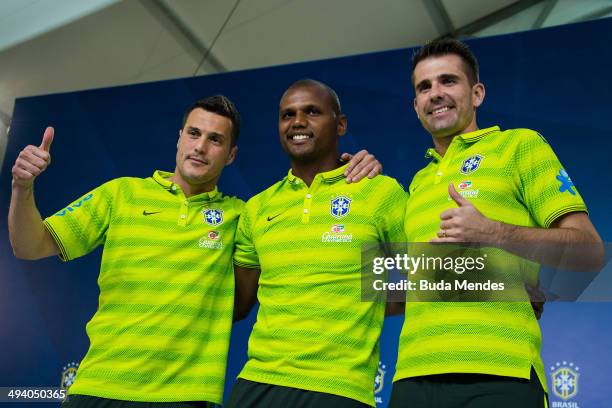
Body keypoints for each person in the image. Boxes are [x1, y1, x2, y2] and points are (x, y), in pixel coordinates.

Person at [8, 95, 380, 408]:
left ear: (231, 155)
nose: (201, 147)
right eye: (194, 133)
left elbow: (314, 238)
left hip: (189, 396)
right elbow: (29, 245)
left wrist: (345, 173)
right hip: (98, 388)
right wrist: (22, 189)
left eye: (215, 140)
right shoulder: (120, 194)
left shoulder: (244, 215)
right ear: (179, 138)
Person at [388, 38, 602, 408]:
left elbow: (589, 251)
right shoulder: (418, 183)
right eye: (424, 87)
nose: (435, 93)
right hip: (412, 376)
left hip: (501, 373)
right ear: (415, 106)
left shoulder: (519, 146)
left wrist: (493, 232)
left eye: (448, 81)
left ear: (477, 93)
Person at [227, 79, 408, 408]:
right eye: (287, 115)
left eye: (312, 111)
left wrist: (513, 281)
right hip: (258, 383)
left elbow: (439, 273)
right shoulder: (257, 208)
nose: (297, 122)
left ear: (340, 125)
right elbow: (237, 305)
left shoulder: (379, 192)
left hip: (340, 388)